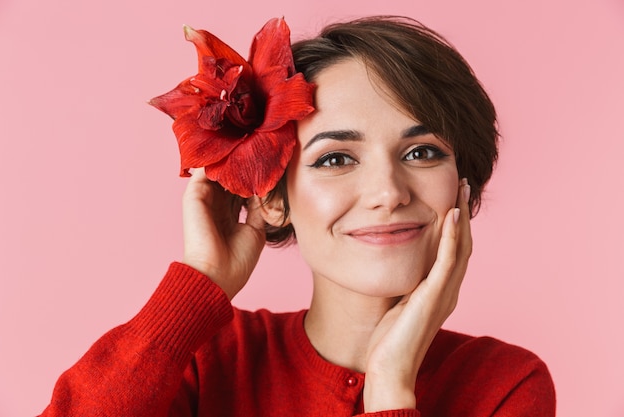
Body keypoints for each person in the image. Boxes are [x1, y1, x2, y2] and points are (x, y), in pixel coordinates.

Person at [39, 16, 556, 416]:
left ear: (462, 184)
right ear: (270, 198)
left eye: (421, 152)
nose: (388, 192)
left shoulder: (505, 385)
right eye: (335, 159)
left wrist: (391, 383)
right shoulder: (203, 362)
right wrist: (197, 287)